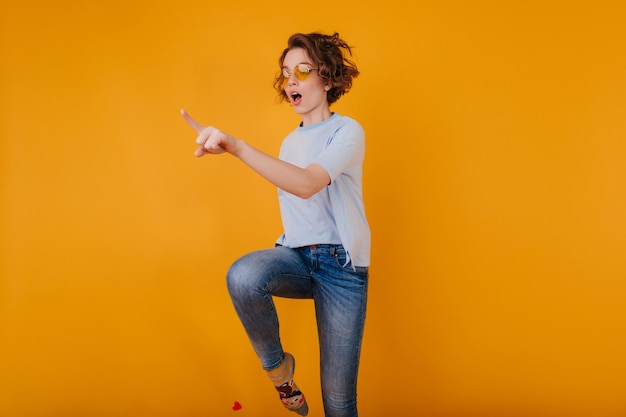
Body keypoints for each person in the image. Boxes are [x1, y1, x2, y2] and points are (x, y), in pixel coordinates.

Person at [181, 32, 370, 417]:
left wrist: (238, 147)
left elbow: (306, 185)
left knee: (338, 401)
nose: (292, 81)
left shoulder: (347, 131)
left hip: (341, 269)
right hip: (298, 258)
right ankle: (280, 372)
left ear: (328, 79)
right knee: (244, 275)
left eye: (303, 70)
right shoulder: (288, 143)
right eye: (286, 74)